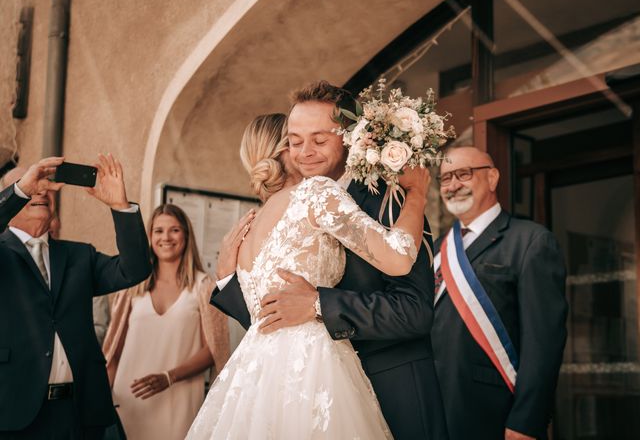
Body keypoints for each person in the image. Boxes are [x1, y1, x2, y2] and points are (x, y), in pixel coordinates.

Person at [204, 91, 447, 440]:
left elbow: (415, 311)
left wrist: (319, 304)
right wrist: (228, 279)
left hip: (391, 387)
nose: (305, 152)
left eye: (319, 139)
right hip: (296, 391)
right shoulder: (281, 210)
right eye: (295, 141)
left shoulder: (390, 200)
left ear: (349, 138)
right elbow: (274, 322)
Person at [0, 154, 151, 439]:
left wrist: (121, 206)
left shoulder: (79, 256)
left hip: (79, 415)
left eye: (44, 185)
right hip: (14, 414)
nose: (40, 190)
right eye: (30, 186)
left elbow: (135, 270)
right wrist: (21, 190)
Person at [431, 146, 568, 440]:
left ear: (492, 178)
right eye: (445, 179)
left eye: (464, 174)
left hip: (495, 414)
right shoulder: (438, 249)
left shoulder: (530, 241)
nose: (453, 185)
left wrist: (526, 421)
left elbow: (544, 342)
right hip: (436, 410)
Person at [102, 204, 231, 440]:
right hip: (128, 401)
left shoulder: (203, 288)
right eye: (158, 231)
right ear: (149, 237)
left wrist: (169, 377)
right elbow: (114, 351)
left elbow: (214, 349)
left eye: (174, 230)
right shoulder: (131, 287)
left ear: (186, 235)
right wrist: (101, 401)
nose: (166, 237)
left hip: (178, 399)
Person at [49, 214, 111, 346]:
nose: (45, 221)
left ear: (59, 223)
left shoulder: (84, 262)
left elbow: (99, 327)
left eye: (50, 213)